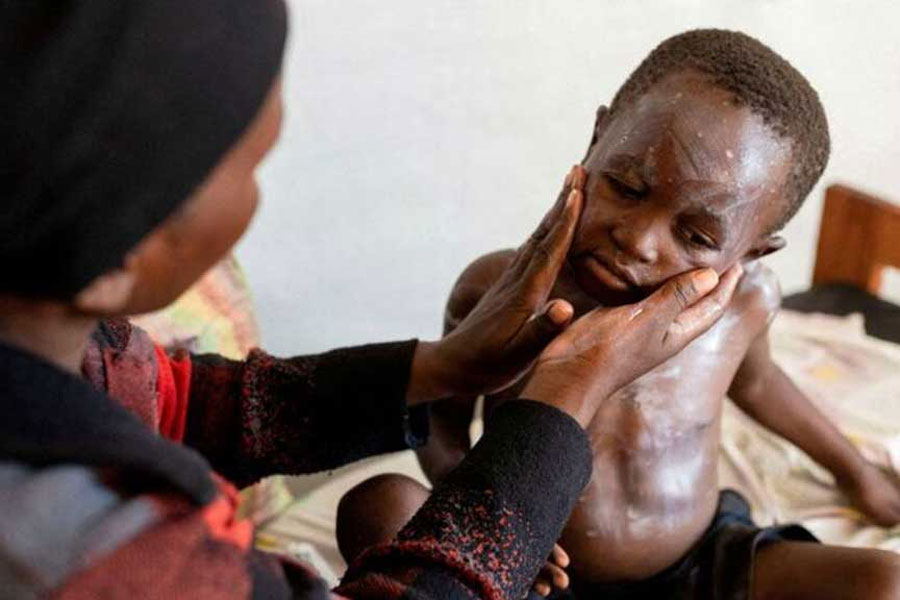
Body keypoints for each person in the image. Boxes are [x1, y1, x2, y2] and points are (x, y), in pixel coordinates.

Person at [0, 3, 739, 598]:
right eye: (253, 168)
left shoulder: (62, 349)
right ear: (119, 254)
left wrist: (439, 367)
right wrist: (559, 408)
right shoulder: (100, 553)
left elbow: (175, 403)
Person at [338, 29, 900, 600]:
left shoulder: (744, 304)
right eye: (627, 187)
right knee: (380, 503)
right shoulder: (503, 291)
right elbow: (439, 423)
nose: (638, 240)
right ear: (597, 138)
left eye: (697, 235)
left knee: (887, 582)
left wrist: (857, 473)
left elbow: (759, 384)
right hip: (529, 572)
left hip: (698, 568)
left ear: (751, 253)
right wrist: (485, 528)